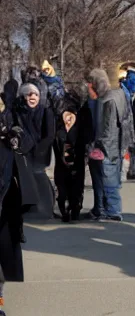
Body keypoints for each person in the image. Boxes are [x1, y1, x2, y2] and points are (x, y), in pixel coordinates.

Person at [1, 102, 37, 316]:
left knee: (2, 264)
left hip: (6, 202)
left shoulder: (11, 121)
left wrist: (15, 136)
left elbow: (28, 141)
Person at [85, 68, 133, 221]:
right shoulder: (119, 95)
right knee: (109, 176)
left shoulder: (107, 100)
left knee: (108, 177)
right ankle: (105, 209)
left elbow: (107, 128)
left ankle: (112, 211)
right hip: (117, 143)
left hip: (108, 146)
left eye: (90, 83)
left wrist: (97, 146)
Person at [12, 83, 55, 220]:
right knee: (28, 180)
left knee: (40, 177)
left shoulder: (45, 111)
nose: (32, 97)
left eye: (35, 94)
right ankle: (32, 208)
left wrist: (40, 149)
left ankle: (47, 208)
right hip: (25, 152)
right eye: (29, 94)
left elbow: (50, 134)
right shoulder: (19, 112)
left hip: (40, 152)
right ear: (24, 97)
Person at [53, 94, 90, 222]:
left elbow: (86, 142)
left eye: (71, 112)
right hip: (61, 163)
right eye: (65, 113)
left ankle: (75, 210)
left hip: (77, 162)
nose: (68, 117)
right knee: (62, 190)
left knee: (76, 189)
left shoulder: (81, 126)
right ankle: (64, 211)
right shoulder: (57, 126)